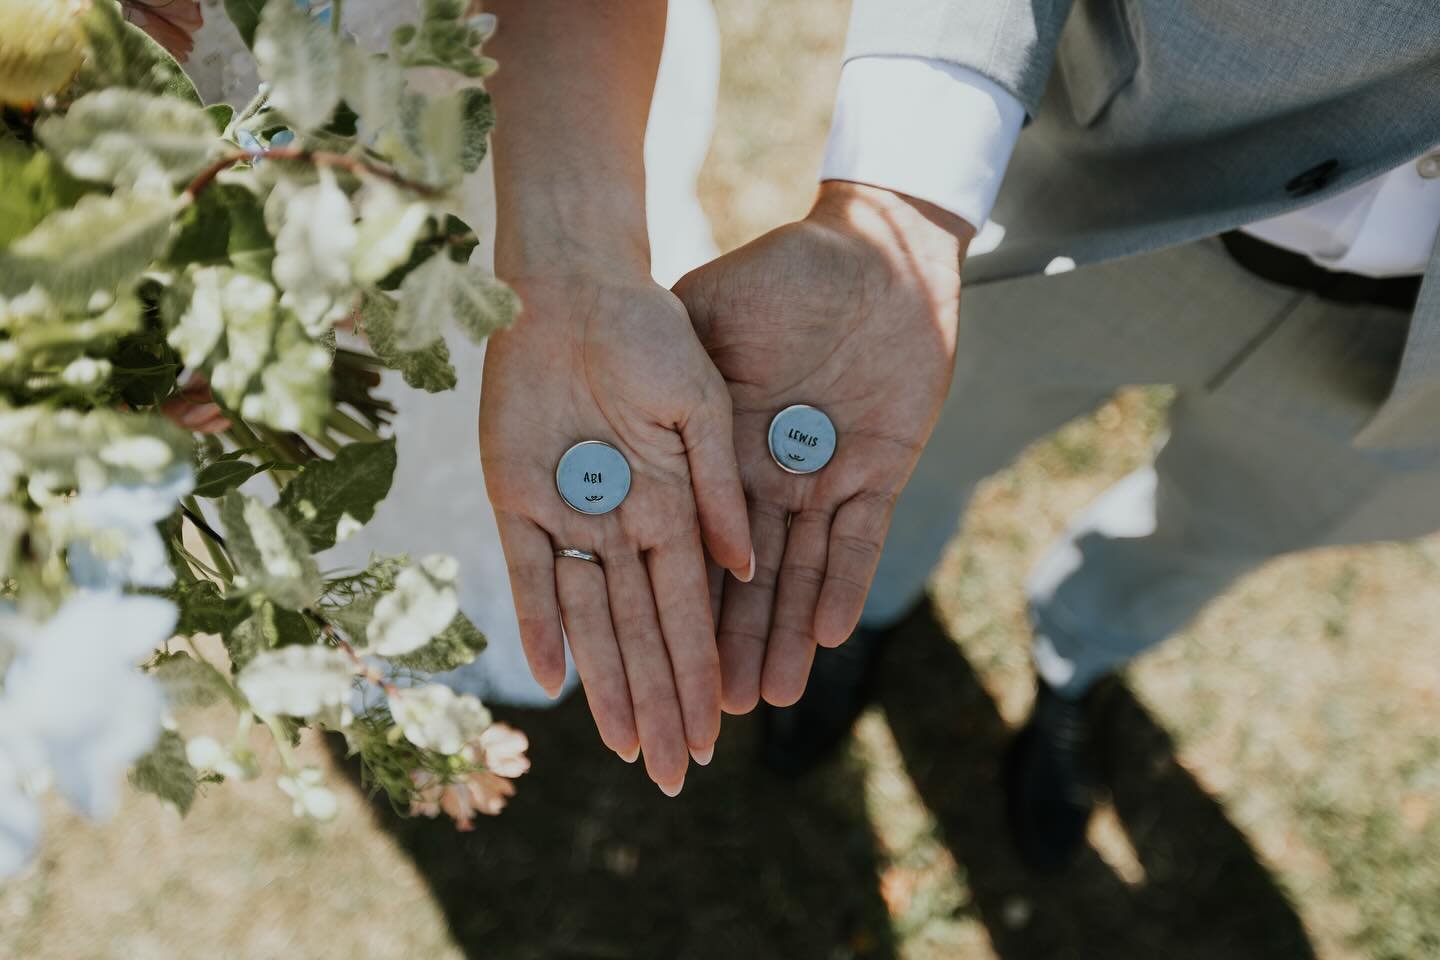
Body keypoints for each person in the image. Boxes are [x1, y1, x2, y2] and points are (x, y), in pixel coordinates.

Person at [481, 0, 1440, 864]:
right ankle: (859, 619)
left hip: (1415, 370)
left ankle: (1083, 657)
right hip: (1103, 180)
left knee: (1231, 525)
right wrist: (903, 200)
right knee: (896, 454)